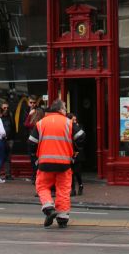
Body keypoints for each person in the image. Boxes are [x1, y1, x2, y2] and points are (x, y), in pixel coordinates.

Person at [28, 99, 84, 229]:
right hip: (64, 163)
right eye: (65, 108)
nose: (66, 111)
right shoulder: (68, 123)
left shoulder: (41, 123)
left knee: (42, 186)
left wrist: (35, 158)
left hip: (45, 163)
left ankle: (49, 208)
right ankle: (62, 218)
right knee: (63, 189)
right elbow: (81, 137)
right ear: (60, 110)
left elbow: (31, 142)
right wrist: (75, 150)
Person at [23, 96, 43, 182]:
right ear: (28, 103)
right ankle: (35, 175)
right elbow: (24, 124)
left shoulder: (38, 111)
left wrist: (30, 115)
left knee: (34, 158)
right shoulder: (25, 111)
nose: (32, 104)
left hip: (35, 139)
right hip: (30, 137)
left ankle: (36, 176)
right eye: (31, 102)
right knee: (34, 158)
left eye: (34, 103)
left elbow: (27, 124)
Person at [70, 114, 86, 196]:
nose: (74, 121)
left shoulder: (78, 127)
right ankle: (72, 189)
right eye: (73, 120)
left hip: (77, 153)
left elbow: (82, 140)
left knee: (77, 172)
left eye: (75, 120)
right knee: (70, 173)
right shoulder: (67, 127)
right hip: (69, 153)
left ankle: (80, 185)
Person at [0, 101, 15, 180]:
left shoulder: (10, 116)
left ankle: (8, 174)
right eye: (4, 108)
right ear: (1, 108)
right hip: (1, 140)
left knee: (8, 157)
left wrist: (13, 138)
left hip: (9, 140)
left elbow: (13, 127)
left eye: (7, 108)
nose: (6, 109)